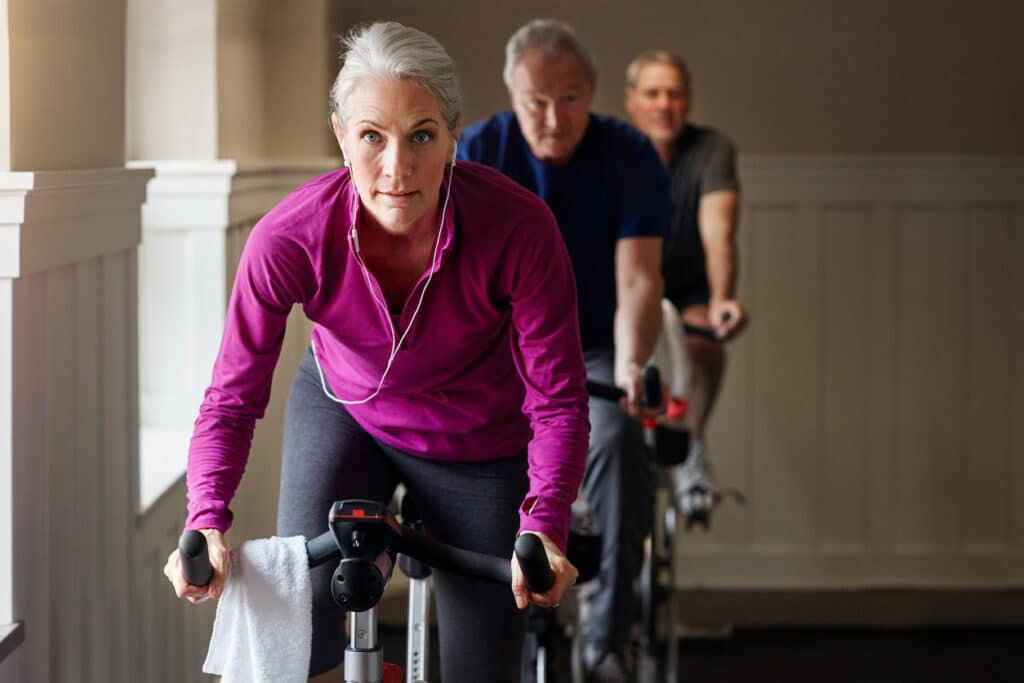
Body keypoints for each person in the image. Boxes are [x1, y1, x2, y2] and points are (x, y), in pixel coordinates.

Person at [162, 21, 588, 683]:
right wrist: (206, 518)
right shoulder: (287, 238)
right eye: (371, 136)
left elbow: (559, 400)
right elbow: (231, 398)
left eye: (421, 135)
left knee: (485, 662)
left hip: (478, 440)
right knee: (299, 628)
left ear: (454, 136)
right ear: (341, 134)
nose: (397, 169)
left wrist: (546, 521)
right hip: (345, 408)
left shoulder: (520, 228)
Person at [459, 19, 670, 681]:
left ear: (594, 91)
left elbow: (639, 276)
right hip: (502, 356)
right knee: (484, 452)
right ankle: (501, 634)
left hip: (596, 350)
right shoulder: (478, 150)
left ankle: (608, 633)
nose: (554, 118)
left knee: (618, 436)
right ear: (511, 95)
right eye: (536, 102)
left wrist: (633, 364)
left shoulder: (629, 153)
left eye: (571, 98)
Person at [624, 50, 748, 516]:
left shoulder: (712, 149)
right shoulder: (614, 148)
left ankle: (691, 450)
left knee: (705, 343)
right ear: (632, 101)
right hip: (627, 287)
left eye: (674, 94)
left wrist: (722, 301)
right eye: (652, 93)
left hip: (689, 288)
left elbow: (719, 234)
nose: (663, 103)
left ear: (688, 101)